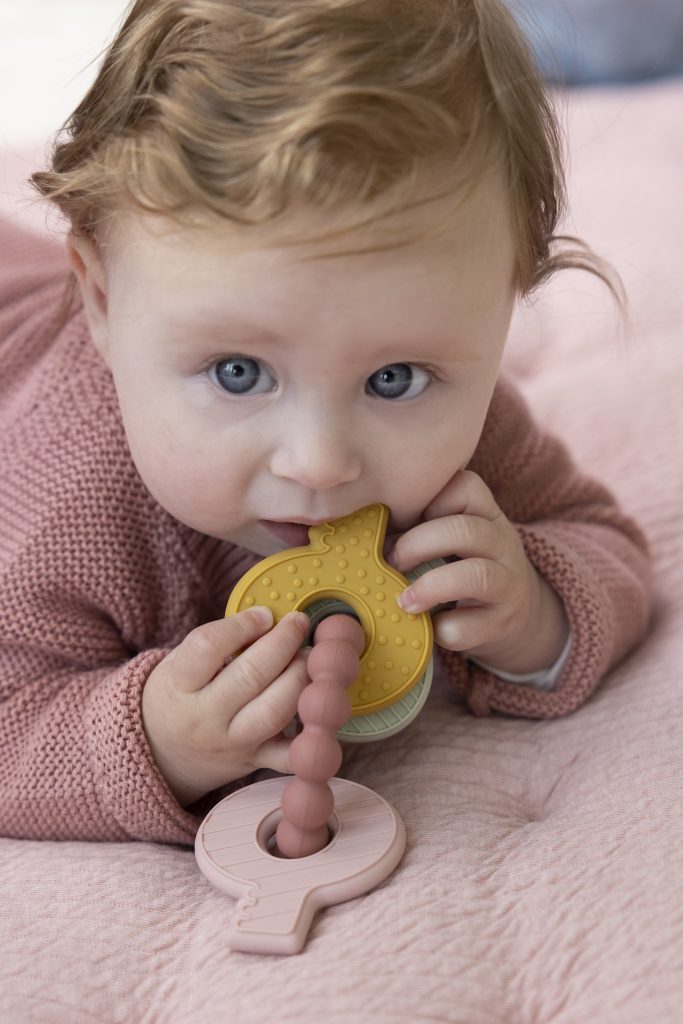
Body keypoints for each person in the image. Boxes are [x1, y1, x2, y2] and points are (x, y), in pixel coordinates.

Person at [0, 0, 650, 844]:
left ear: (502, 310)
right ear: (101, 299)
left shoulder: (466, 443)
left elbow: (600, 536)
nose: (319, 462)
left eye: (392, 378)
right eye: (239, 373)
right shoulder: (66, 505)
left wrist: (535, 613)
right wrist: (153, 739)